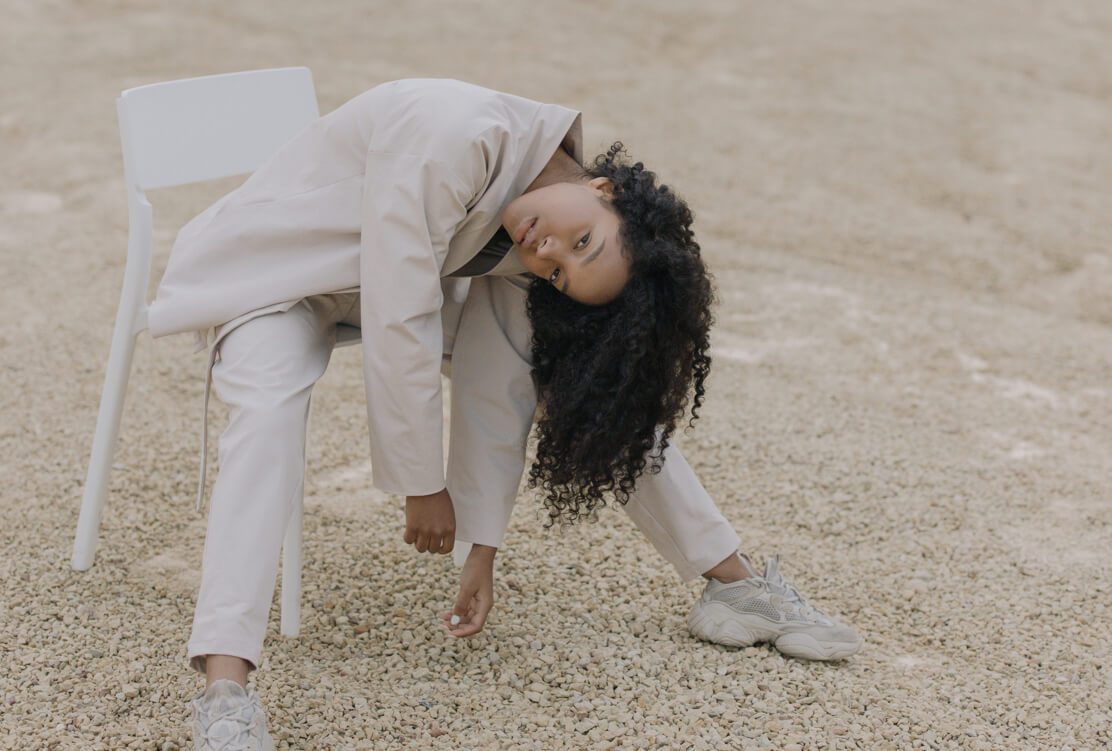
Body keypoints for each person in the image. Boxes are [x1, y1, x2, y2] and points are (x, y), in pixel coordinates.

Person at [146, 78, 863, 749]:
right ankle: (225, 688)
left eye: (563, 271)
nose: (548, 252)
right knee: (268, 407)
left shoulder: (534, 223)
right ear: (604, 189)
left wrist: (480, 544)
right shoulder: (452, 136)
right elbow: (400, 314)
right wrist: (423, 483)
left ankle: (733, 583)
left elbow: (495, 378)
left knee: (577, 375)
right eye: (581, 242)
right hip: (274, 277)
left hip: (364, 288)